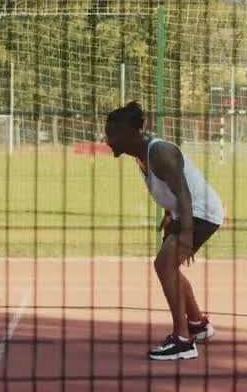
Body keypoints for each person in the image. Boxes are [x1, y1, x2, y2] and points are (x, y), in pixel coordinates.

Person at [104, 101, 225, 362]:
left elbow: (184, 192)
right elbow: (173, 189)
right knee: (167, 265)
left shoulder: (160, 152)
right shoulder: (141, 153)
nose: (107, 140)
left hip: (200, 213)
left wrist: (186, 234)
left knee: (164, 265)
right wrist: (170, 216)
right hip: (186, 214)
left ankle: (183, 341)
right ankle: (197, 324)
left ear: (129, 134)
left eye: (112, 134)